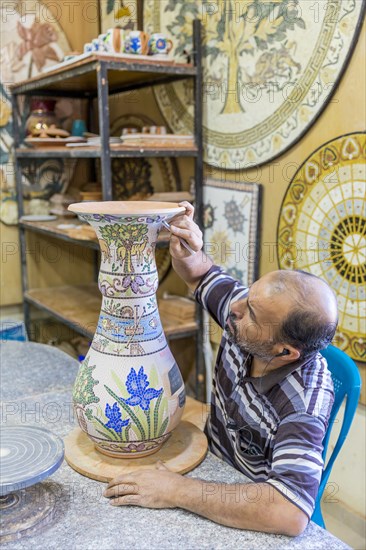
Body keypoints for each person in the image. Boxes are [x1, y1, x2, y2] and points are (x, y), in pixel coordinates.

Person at [104, 202, 338, 536]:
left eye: (251, 312)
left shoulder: (304, 402)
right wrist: (187, 248)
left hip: (248, 505)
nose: (235, 307)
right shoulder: (246, 313)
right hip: (211, 462)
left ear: (284, 351)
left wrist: (174, 491)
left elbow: (288, 512)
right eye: (249, 293)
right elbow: (200, 274)